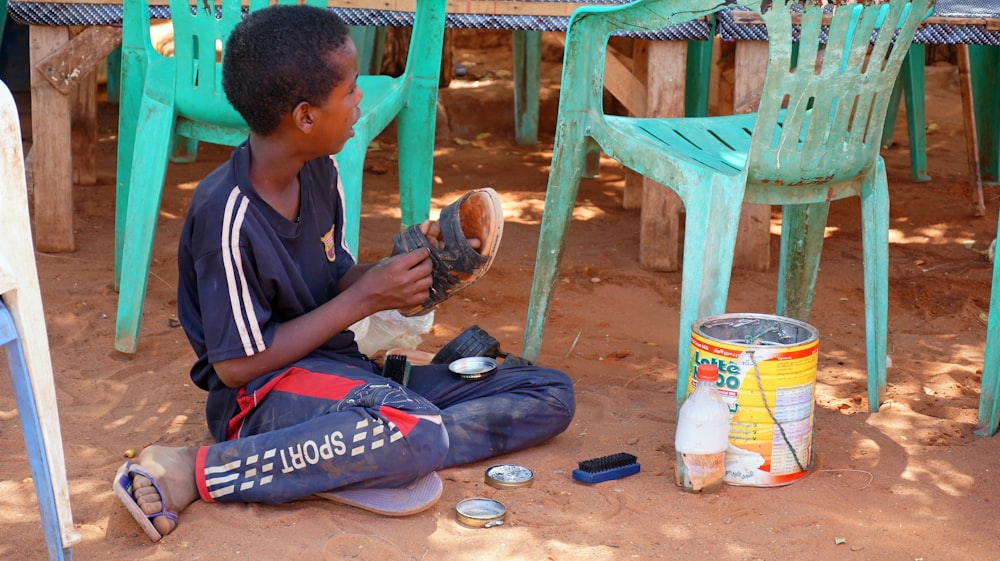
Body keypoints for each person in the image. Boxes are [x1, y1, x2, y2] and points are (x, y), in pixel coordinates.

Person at [112, 4, 575, 541]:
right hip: (264, 399)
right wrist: (364, 300)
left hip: (344, 372)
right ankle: (198, 468)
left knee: (547, 392)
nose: (360, 101)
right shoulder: (227, 215)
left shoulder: (321, 171)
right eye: (351, 91)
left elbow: (337, 282)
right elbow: (238, 366)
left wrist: (404, 271)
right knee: (416, 427)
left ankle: (358, 451)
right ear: (305, 116)